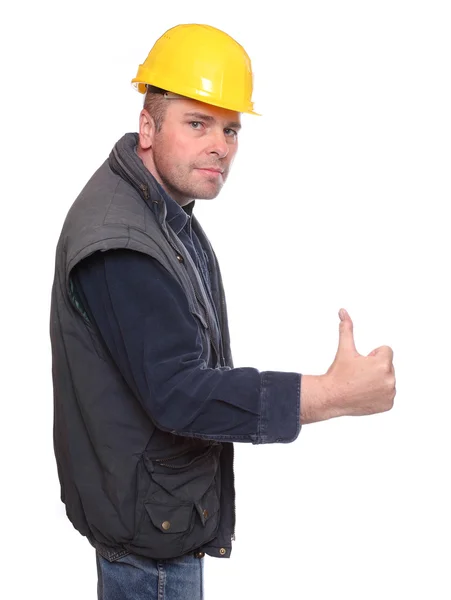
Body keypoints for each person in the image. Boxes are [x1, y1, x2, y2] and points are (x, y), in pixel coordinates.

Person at [50, 23, 396, 600]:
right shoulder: (124, 242)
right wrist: (329, 395)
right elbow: (180, 393)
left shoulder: (154, 207)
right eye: (197, 123)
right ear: (147, 126)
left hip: (153, 512)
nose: (221, 145)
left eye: (231, 128)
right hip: (151, 543)